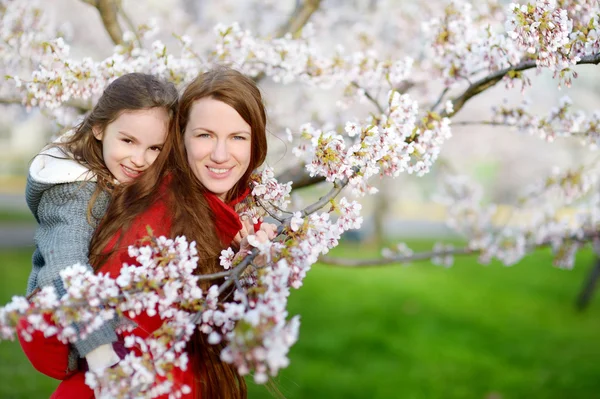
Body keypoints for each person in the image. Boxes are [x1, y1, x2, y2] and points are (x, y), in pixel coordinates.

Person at [39, 67, 273, 398]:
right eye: (204, 135)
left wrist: (251, 270)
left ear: (255, 143)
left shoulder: (231, 215)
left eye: (238, 137)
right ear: (180, 139)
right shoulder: (155, 215)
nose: (221, 155)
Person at [19, 73, 178, 379]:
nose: (139, 158)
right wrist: (100, 353)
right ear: (99, 127)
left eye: (155, 148)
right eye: (128, 140)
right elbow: (65, 266)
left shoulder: (119, 172)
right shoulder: (75, 191)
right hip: (63, 333)